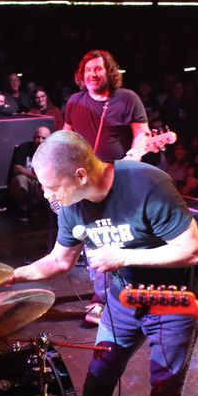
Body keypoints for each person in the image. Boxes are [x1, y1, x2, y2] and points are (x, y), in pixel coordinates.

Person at [11, 131, 198, 396]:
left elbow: (192, 250)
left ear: (81, 174)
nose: (47, 196)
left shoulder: (148, 184)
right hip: (124, 297)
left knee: (165, 384)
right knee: (100, 369)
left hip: (174, 299)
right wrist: (12, 275)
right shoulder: (71, 203)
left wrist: (124, 257)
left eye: (52, 186)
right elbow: (59, 261)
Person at [63, 49, 150, 324]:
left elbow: (142, 135)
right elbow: (66, 137)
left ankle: (120, 295)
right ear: (82, 74)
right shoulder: (75, 101)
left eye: (98, 69)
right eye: (88, 70)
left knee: (118, 236)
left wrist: (134, 155)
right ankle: (101, 298)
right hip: (83, 183)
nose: (93, 74)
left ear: (109, 72)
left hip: (117, 180)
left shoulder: (127, 99)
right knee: (93, 239)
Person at [8, 126, 50, 220]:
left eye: (43, 138)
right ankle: (23, 209)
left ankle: (37, 206)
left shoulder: (51, 153)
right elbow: (17, 168)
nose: (40, 140)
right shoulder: (24, 147)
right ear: (33, 138)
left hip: (40, 182)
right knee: (20, 179)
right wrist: (34, 176)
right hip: (26, 179)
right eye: (37, 137)